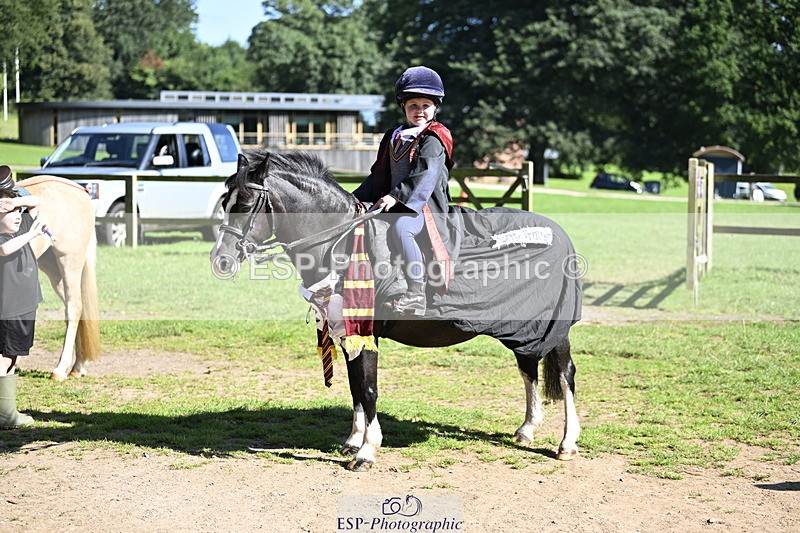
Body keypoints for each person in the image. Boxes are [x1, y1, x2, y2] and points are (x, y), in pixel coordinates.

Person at [354, 66, 460, 316]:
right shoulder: (394, 135)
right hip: (394, 201)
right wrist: (354, 198)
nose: (419, 111)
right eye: (413, 105)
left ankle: (415, 292)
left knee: (403, 228)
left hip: (425, 206)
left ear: (435, 108)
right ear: (403, 107)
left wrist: (395, 196)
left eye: (426, 105)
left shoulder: (435, 137)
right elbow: (379, 174)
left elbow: (424, 174)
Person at [0, 187, 48, 428]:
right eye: (11, 212)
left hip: (25, 306)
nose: (18, 215)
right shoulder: (4, 237)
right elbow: (5, 250)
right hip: (10, 309)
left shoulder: (19, 225)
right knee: (5, 357)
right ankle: (6, 414)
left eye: (19, 211)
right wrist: (32, 234)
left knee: (13, 356)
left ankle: (7, 411)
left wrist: (13, 203)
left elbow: (37, 200)